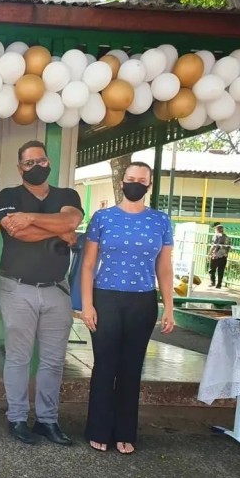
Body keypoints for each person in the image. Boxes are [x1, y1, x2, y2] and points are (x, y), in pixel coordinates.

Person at [80, 161, 175, 454]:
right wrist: (87, 304)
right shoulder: (103, 217)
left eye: (142, 180)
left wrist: (168, 307)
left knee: (132, 367)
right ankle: (98, 429)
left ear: (149, 185)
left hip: (142, 300)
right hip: (106, 297)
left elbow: (165, 266)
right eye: (131, 178)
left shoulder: (160, 220)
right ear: (123, 182)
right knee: (105, 365)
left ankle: (125, 432)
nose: (136, 183)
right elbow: (87, 264)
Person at [0, 140, 83, 445]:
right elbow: (17, 231)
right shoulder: (8, 196)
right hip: (17, 288)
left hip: (57, 290)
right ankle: (17, 418)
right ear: (20, 168)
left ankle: (47, 420)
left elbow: (71, 220)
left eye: (41, 161)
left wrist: (31, 217)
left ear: (49, 163)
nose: (36, 167)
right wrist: (58, 229)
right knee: (19, 358)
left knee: (53, 360)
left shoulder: (67, 195)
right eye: (29, 163)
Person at [209, 224, 231, 289]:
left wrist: (209, 253)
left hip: (215, 256)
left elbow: (213, 245)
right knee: (221, 271)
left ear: (217, 230)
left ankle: (212, 283)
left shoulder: (216, 236)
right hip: (224, 256)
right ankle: (219, 285)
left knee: (212, 270)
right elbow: (229, 247)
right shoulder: (227, 237)